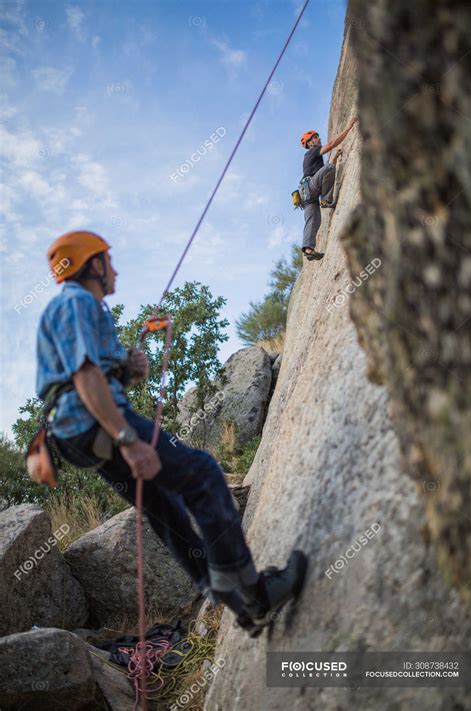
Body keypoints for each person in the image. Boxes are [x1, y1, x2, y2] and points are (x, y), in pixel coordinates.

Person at [35, 230, 307, 637]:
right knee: (202, 474)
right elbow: (86, 376)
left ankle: (236, 601)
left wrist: (130, 370)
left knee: (163, 508)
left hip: (78, 435)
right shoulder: (78, 302)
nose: (116, 269)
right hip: (96, 425)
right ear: (92, 265)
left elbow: (92, 377)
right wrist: (129, 440)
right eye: (108, 260)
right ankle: (253, 591)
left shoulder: (73, 309)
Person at [299, 117, 358, 260]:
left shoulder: (312, 158)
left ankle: (308, 249)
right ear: (310, 143)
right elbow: (331, 144)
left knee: (313, 220)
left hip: (306, 195)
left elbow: (322, 173)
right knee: (330, 168)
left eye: (318, 137)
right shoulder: (312, 151)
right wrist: (349, 127)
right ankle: (325, 200)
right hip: (310, 188)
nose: (318, 139)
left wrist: (335, 158)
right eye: (315, 138)